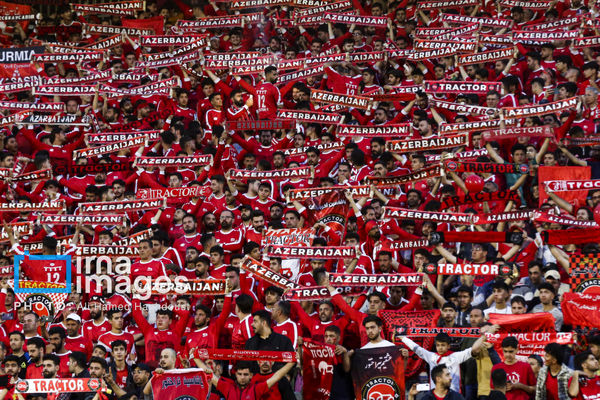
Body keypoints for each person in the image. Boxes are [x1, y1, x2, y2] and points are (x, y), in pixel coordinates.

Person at [400, 331, 487, 392]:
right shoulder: (431, 357)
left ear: (448, 346)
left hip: (453, 395)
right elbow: (416, 348)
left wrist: (484, 336)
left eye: (443, 345)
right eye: (438, 345)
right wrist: (402, 338)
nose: (440, 348)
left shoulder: (456, 356)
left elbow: (473, 349)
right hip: (435, 395)